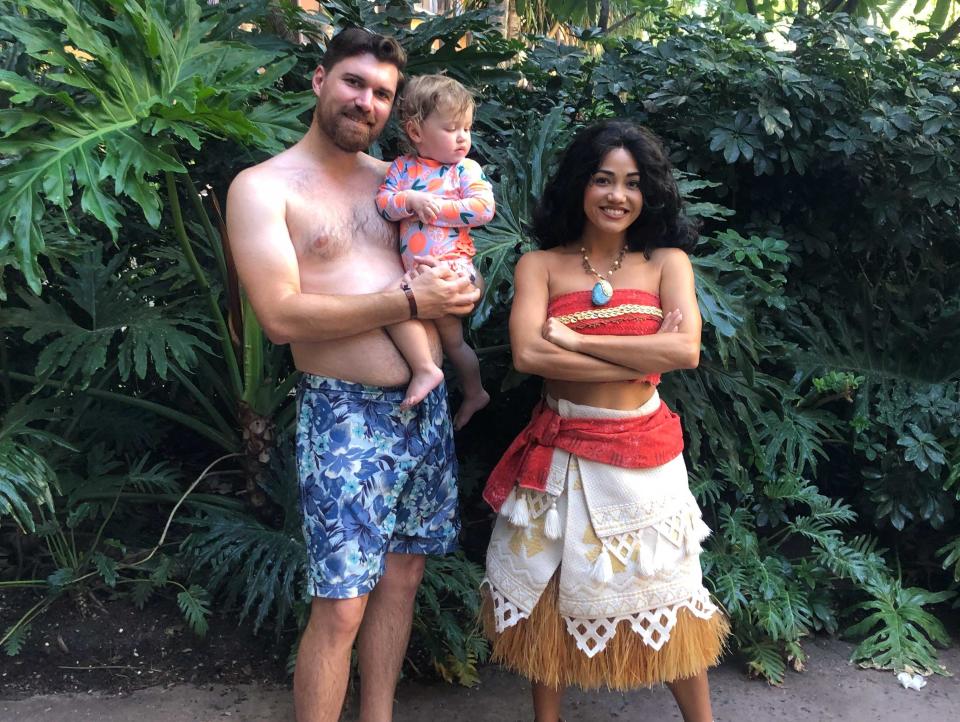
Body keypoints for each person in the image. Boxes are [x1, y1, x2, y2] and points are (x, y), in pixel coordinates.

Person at [225, 27, 479, 722]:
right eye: (353, 82)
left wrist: (458, 289)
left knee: (403, 580)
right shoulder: (263, 189)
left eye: (381, 93)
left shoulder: (394, 181)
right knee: (340, 607)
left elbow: (442, 255)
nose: (364, 101)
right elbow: (280, 316)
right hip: (343, 414)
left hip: (420, 412)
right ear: (320, 80)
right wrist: (411, 302)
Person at [480, 120, 728, 722]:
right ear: (579, 185)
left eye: (633, 183)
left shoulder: (667, 263)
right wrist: (636, 348)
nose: (618, 195)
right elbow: (530, 356)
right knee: (549, 593)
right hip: (561, 448)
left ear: (650, 194)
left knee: (671, 590)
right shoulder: (539, 265)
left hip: (646, 454)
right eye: (603, 179)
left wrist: (578, 341)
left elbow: (685, 352)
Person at [375, 74, 493, 429]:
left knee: (453, 342)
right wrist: (409, 200)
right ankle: (429, 370)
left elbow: (483, 208)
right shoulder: (402, 169)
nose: (463, 137)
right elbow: (383, 204)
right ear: (416, 132)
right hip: (415, 273)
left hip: (452, 266)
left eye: (467, 128)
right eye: (452, 128)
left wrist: (437, 208)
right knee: (396, 308)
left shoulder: (464, 170)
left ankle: (473, 390)